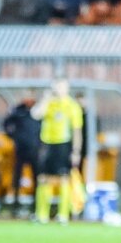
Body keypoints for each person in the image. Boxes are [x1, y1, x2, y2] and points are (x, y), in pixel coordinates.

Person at [31, 78, 83, 225]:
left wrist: (76, 151)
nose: (59, 90)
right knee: (43, 178)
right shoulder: (49, 103)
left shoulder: (72, 106)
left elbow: (77, 131)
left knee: (64, 178)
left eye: (62, 87)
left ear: (67, 88)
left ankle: (63, 215)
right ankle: (41, 214)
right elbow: (36, 114)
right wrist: (45, 99)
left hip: (63, 144)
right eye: (56, 87)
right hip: (46, 144)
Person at [2, 92, 42, 216]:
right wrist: (14, 136)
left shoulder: (38, 110)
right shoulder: (18, 111)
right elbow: (7, 124)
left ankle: (37, 204)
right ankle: (15, 203)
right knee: (17, 176)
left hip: (35, 150)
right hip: (20, 149)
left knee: (37, 177)